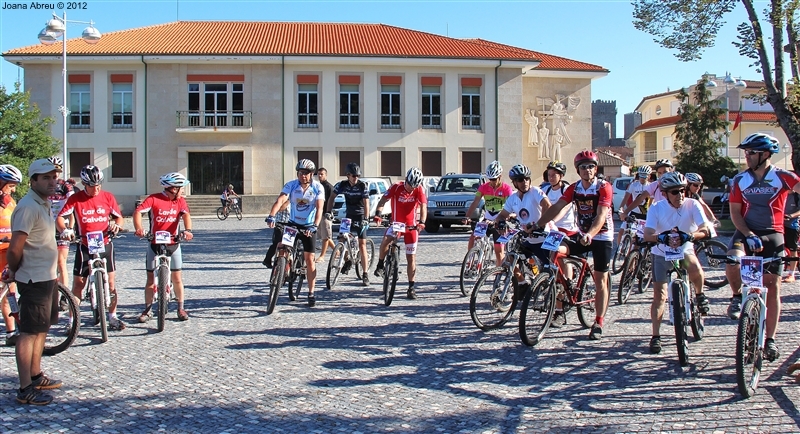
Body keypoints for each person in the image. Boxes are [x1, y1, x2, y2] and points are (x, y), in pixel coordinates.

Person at [724, 133, 800, 362]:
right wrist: (748, 234)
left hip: (773, 235)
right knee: (732, 261)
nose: (746, 157)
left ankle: (770, 340)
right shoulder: (739, 180)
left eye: (751, 153)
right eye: (746, 152)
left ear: (765, 154)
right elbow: (735, 213)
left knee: (772, 286)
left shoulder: (784, 177)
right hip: (747, 232)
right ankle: (737, 296)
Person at [536, 150, 614, 340]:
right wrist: (537, 225)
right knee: (555, 250)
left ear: (595, 169)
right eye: (583, 167)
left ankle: (598, 322)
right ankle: (564, 291)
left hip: (601, 236)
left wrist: (590, 234)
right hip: (581, 235)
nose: (587, 170)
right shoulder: (575, 188)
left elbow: (601, 215)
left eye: (590, 166)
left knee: (600, 279)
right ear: (577, 170)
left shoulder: (604, 187)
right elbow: (556, 207)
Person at [7, 159, 63, 405]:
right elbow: (15, 247)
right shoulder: (28, 206)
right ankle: (24, 388)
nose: (52, 181)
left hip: (47, 276)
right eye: (45, 178)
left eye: (54, 177)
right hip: (33, 278)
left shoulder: (44, 203)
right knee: (28, 332)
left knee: (42, 328)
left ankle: (36, 374)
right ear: (33, 181)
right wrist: (14, 269)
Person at [641, 172, 712, 354]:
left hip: (685, 249)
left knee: (694, 264)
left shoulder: (692, 204)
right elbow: (648, 234)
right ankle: (656, 336)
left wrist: (689, 236)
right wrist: (661, 237)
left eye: (682, 190)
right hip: (661, 252)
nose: (680, 195)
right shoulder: (656, 208)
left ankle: (699, 294)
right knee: (660, 295)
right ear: (665, 193)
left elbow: (704, 229)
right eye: (674, 192)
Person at [56, 165, 126, 331]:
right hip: (85, 245)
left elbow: (119, 218)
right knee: (78, 285)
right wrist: (65, 230)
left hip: (105, 243)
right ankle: (72, 320)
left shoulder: (108, 197)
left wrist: (117, 225)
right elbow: (60, 217)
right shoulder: (75, 199)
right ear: (85, 184)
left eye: (99, 185)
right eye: (92, 186)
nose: (96, 189)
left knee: (110, 283)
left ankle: (113, 317)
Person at [133, 172, 194, 322]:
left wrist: (187, 230)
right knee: (149, 279)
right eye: (181, 188)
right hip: (154, 243)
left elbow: (186, 215)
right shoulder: (154, 199)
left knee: (177, 278)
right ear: (173, 189)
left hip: (173, 243)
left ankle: (180, 307)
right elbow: (138, 212)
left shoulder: (180, 201)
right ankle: (147, 309)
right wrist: (139, 229)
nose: (183, 191)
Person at [266, 159, 324, 307]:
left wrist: (315, 226)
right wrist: (272, 215)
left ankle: (311, 292)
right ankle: (281, 267)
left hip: (308, 226)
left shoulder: (318, 187)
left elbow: (319, 208)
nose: (302, 176)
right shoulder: (291, 185)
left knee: (310, 259)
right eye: (300, 173)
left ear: (311, 174)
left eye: (306, 173)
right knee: (282, 246)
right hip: (292, 224)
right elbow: (280, 200)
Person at [493, 164, 553, 300]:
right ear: (514, 183)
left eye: (526, 179)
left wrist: (540, 225)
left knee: (550, 271)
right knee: (510, 258)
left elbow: (547, 205)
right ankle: (522, 283)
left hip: (544, 238)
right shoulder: (513, 198)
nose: (524, 182)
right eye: (520, 180)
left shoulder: (535, 191)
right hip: (527, 238)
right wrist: (501, 222)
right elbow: (502, 215)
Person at [373, 167, 428, 299]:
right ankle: (380, 264)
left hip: (411, 226)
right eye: (410, 185)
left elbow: (424, 206)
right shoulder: (396, 187)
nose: (411, 188)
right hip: (397, 224)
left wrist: (422, 222)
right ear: (406, 180)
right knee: (386, 239)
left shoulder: (419, 189)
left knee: (411, 258)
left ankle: (411, 287)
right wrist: (378, 214)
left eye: (414, 186)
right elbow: (383, 200)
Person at [541, 160, 578, 327]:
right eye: (549, 175)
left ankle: (568, 283)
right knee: (545, 256)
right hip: (551, 229)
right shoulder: (545, 189)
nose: (551, 177)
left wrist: (552, 220)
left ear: (561, 176)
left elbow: (563, 208)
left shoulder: (566, 189)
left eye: (554, 175)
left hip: (566, 229)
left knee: (561, 259)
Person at [325, 163, 371, 286]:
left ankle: (365, 274)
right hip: (349, 215)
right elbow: (331, 198)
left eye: (357, 175)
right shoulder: (342, 185)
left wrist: (366, 218)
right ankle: (348, 260)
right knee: (342, 238)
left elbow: (366, 203)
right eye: (353, 176)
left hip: (361, 215)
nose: (356, 178)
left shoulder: (362, 186)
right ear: (348, 175)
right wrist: (328, 212)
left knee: (362, 245)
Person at [463, 161, 514, 266]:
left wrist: (509, 217)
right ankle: (470, 260)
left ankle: (498, 274)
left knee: (498, 250)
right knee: (473, 236)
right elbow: (475, 202)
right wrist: (467, 216)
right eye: (490, 179)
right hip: (487, 219)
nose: (492, 182)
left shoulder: (507, 189)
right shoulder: (484, 187)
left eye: (494, 179)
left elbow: (513, 206)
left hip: (500, 221)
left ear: (500, 176)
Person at [0, 164, 22, 346]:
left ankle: (11, 332)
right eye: (11, 185)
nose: (13, 189)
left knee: (10, 292)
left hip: (8, 251)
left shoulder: (11, 202)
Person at [47, 157, 75, 289]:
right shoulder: (44, 185)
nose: (54, 173)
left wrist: (69, 228)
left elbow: (72, 209)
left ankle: (65, 297)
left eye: (57, 170)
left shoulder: (65, 186)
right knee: (48, 264)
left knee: (61, 262)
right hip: (46, 227)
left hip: (62, 227)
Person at [262, 201, 290, 268]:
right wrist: (289, 201)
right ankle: (267, 260)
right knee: (277, 243)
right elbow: (279, 208)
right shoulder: (285, 196)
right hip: (281, 223)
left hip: (293, 223)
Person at [315, 167, 335, 262]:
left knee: (326, 236)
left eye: (322, 174)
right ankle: (338, 251)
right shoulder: (318, 186)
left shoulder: (329, 187)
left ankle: (322, 256)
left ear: (326, 175)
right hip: (319, 214)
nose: (319, 176)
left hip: (326, 214)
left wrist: (328, 212)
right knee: (324, 235)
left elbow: (332, 201)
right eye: (318, 174)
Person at [783, 188, 800, 283]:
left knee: (793, 249)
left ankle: (791, 274)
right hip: (778, 225)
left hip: (792, 226)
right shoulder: (781, 194)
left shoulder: (796, 195)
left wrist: (791, 216)